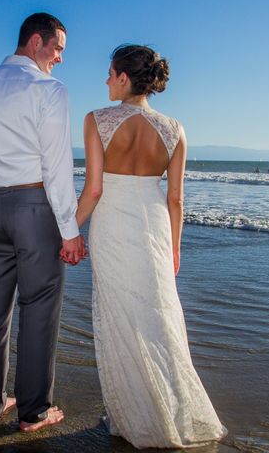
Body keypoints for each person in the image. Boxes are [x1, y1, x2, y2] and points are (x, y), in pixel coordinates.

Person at [76, 45, 227, 448]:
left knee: (122, 317)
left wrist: (67, 229)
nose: (106, 80)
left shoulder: (97, 120)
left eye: (110, 73)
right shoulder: (176, 129)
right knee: (159, 318)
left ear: (125, 78)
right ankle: (169, 411)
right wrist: (175, 248)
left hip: (112, 223)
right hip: (156, 227)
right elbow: (176, 199)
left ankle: (135, 416)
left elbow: (93, 190)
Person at [0, 12, 86, 433]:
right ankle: (33, 412)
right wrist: (70, 231)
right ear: (36, 42)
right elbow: (57, 166)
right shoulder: (49, 89)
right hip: (35, 208)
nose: (60, 58)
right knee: (39, 309)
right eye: (58, 48)